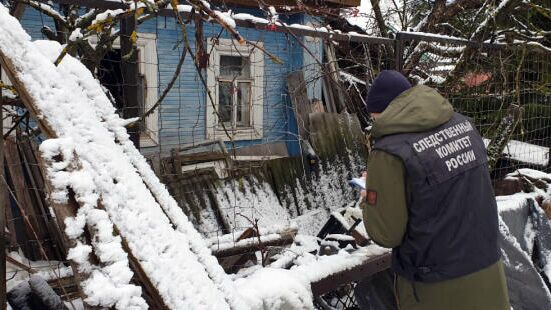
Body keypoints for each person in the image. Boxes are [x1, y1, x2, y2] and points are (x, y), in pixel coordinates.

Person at [360, 70, 510, 310]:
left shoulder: (390, 151)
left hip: (434, 287)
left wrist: (369, 195)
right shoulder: (464, 125)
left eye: (373, 115)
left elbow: (386, 234)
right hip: (488, 271)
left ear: (382, 111)